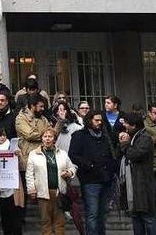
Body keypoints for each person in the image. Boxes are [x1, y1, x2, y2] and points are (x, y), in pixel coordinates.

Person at [69, 110, 118, 235]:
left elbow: (110, 154)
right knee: (92, 213)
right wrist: (89, 165)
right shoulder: (80, 135)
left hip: (106, 178)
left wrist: (112, 169)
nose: (99, 123)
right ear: (89, 120)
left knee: (103, 213)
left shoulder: (104, 135)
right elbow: (73, 155)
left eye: (101, 120)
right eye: (96, 120)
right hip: (90, 179)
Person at [26, 128, 77, 235]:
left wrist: (69, 172)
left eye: (50, 137)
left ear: (54, 139)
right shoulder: (33, 154)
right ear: (42, 139)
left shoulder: (62, 153)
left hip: (59, 192)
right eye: (45, 136)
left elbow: (73, 167)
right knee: (46, 221)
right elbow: (29, 174)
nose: (47, 139)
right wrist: (31, 190)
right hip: (43, 192)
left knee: (60, 222)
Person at [119, 112, 156, 235]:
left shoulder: (145, 138)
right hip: (133, 183)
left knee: (148, 217)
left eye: (126, 123)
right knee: (136, 217)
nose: (124, 126)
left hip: (142, 184)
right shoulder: (134, 137)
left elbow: (134, 155)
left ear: (134, 125)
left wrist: (125, 144)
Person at [51, 101, 85, 235]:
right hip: (57, 161)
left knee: (72, 188)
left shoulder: (76, 127)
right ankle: (64, 209)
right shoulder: (54, 127)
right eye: (58, 109)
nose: (61, 112)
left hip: (71, 161)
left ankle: (73, 210)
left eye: (63, 109)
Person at [0, 128, 22, 235]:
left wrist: (18, 155)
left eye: (4, 135)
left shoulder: (12, 147)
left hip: (12, 186)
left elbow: (20, 164)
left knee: (14, 215)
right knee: (4, 217)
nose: (2, 137)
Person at [17, 95, 49, 174]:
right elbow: (30, 135)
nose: (43, 109)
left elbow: (51, 134)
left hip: (43, 157)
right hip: (27, 159)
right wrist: (44, 134)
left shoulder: (43, 119)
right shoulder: (21, 118)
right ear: (32, 106)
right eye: (40, 106)